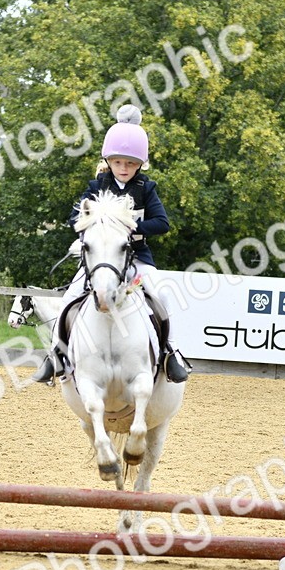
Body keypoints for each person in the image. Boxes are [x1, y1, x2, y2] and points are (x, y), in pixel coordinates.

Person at [32, 104, 190, 384]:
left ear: (140, 164)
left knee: (162, 295)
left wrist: (132, 227)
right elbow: (74, 217)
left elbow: (162, 223)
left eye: (130, 163)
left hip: (136, 257)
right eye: (118, 162)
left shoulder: (146, 188)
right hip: (101, 260)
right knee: (70, 297)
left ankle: (170, 351)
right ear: (109, 160)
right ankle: (57, 353)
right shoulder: (97, 186)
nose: (124, 168)